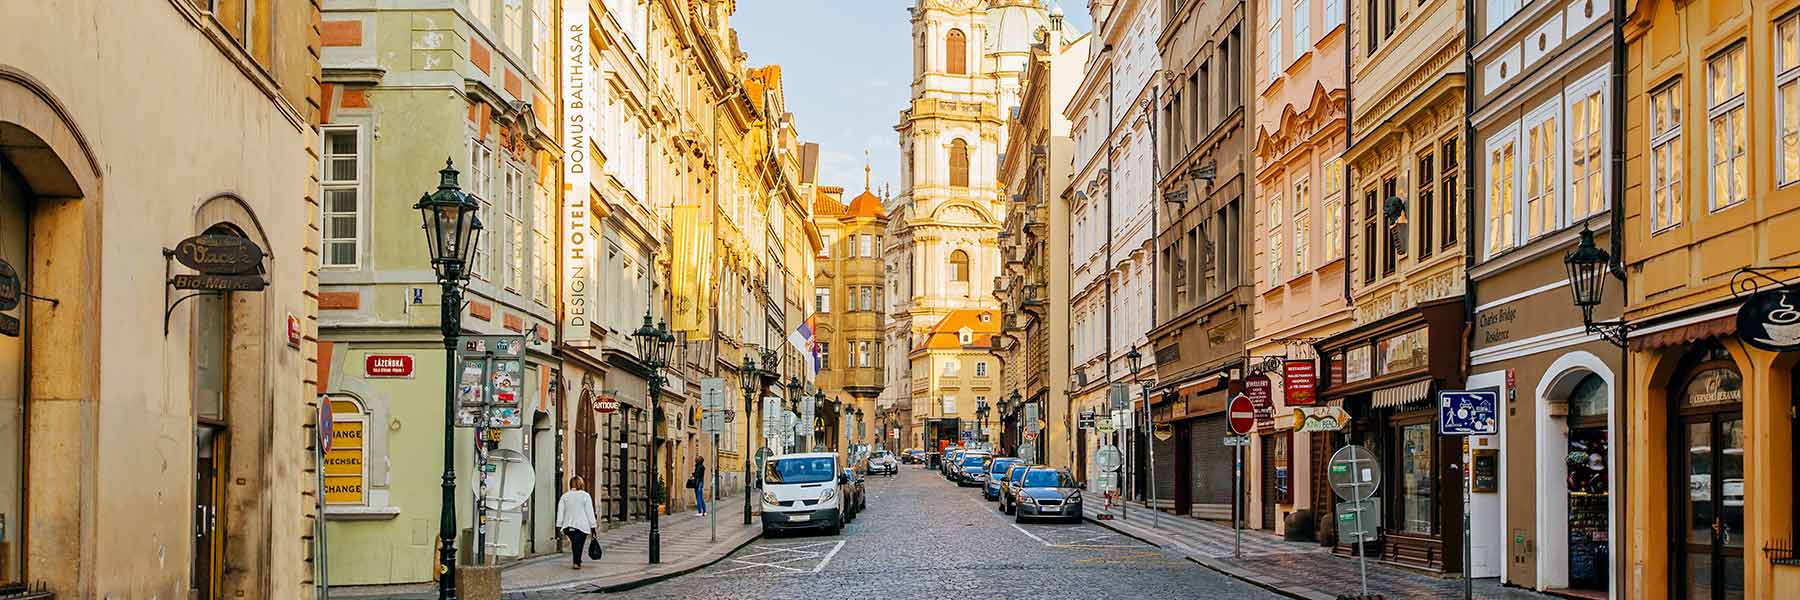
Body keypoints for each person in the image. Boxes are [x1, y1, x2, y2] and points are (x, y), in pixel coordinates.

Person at [555, 476, 597, 570]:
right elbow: (589, 512)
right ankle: (576, 562)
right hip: (581, 526)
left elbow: (560, 512)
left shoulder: (564, 496)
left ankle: (577, 560)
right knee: (579, 543)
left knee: (575, 543)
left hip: (568, 526)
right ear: (581, 484)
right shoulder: (585, 495)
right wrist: (593, 527)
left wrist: (558, 526)